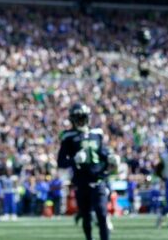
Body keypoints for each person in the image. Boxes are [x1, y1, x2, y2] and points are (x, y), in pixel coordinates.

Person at [57, 102, 117, 240]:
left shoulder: (96, 134)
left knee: (102, 214)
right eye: (77, 118)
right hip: (81, 182)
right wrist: (74, 160)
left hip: (98, 180)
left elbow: (102, 152)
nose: (80, 121)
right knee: (86, 217)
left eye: (82, 117)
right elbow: (61, 162)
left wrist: (110, 157)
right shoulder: (68, 137)